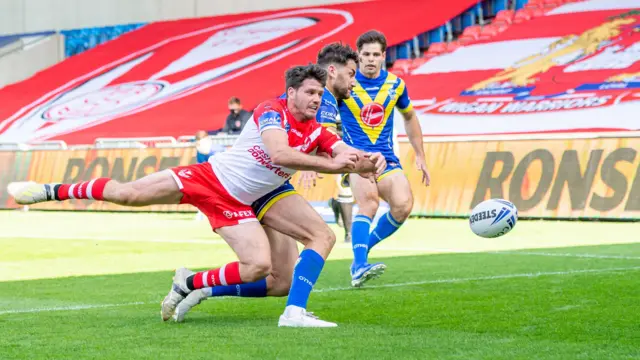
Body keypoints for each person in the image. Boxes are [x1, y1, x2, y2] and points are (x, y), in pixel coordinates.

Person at [7, 64, 385, 328]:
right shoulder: (272, 111)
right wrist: (340, 167)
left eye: (320, 93)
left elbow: (343, 153)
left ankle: (194, 285)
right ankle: (49, 190)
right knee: (129, 194)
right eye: (310, 92)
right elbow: (279, 155)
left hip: (256, 197)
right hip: (212, 179)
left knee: (275, 276)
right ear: (291, 93)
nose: (317, 99)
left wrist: (369, 160)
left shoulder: (317, 131)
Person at [172, 43, 368, 321]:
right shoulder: (322, 103)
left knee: (281, 282)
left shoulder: (314, 98)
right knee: (320, 237)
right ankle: (294, 312)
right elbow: (316, 145)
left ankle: (198, 287)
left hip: (273, 185)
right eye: (351, 73)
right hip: (264, 187)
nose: (354, 82)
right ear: (333, 71)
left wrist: (365, 161)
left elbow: (321, 143)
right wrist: (319, 161)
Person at [340, 30, 431, 288]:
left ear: (384, 56)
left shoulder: (396, 85)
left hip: (387, 159)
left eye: (375, 54)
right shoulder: (345, 85)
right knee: (368, 205)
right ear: (357, 56)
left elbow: (410, 117)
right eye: (365, 54)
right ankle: (359, 266)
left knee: (403, 206)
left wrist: (421, 156)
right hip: (356, 159)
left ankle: (361, 252)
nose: (370, 59)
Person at [194, 130, 225, 221]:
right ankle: (201, 214)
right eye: (198, 143)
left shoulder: (217, 150)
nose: (199, 145)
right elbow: (200, 166)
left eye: (200, 143)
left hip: (222, 175)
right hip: (209, 176)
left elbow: (221, 166)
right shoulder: (200, 151)